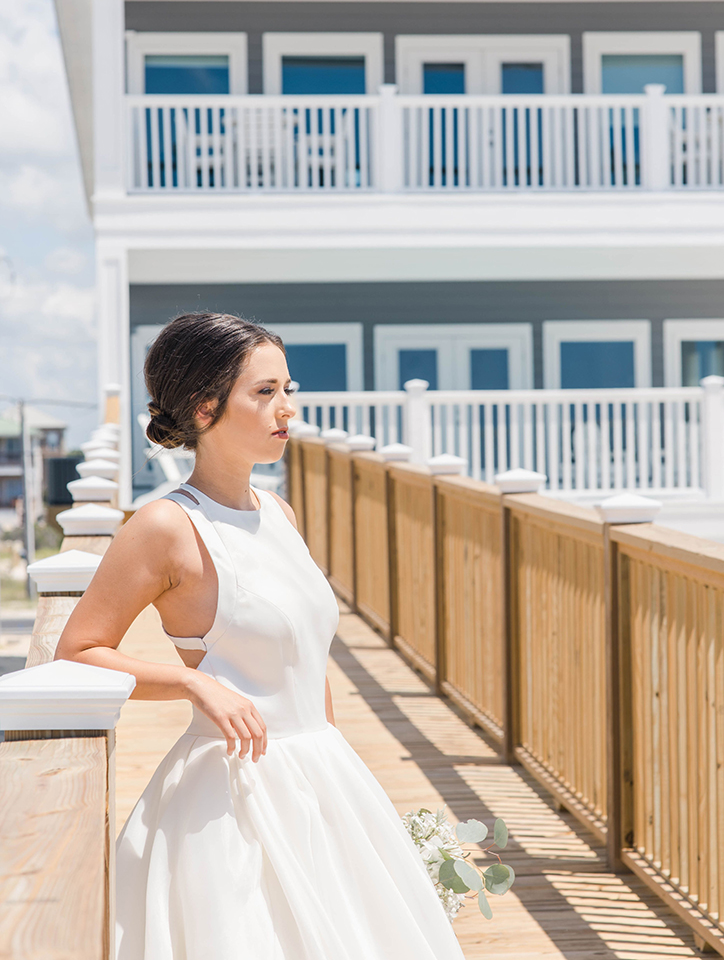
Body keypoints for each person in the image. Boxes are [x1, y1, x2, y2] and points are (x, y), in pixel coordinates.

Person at [55, 312, 466, 960]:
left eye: (288, 389)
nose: (287, 410)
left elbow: (307, 659)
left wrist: (343, 772)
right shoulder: (163, 526)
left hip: (324, 777)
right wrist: (193, 683)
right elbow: (76, 651)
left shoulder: (279, 511)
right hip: (229, 799)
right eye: (265, 392)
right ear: (205, 405)